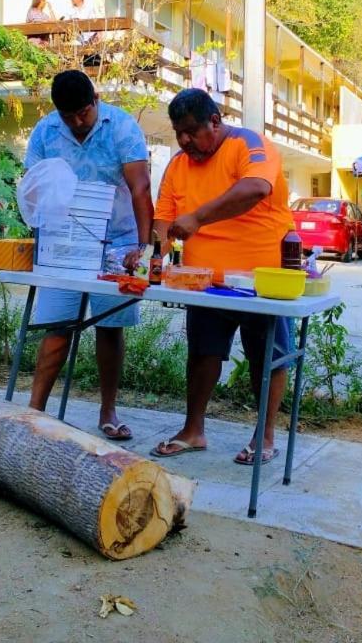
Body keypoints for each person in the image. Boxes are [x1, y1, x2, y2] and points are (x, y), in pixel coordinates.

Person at [150, 88, 295, 465]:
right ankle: (193, 430)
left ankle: (264, 436)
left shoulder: (248, 144)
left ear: (215, 122)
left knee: (267, 357)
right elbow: (164, 219)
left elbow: (256, 188)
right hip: (206, 284)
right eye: (178, 132)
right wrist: (153, 252)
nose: (184, 141)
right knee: (201, 354)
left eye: (192, 131)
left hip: (261, 281)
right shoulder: (179, 165)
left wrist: (197, 217)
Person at [24, 70, 154, 440]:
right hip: (63, 243)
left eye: (83, 112)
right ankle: (35, 411)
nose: (78, 122)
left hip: (118, 243)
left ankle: (108, 412)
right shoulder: (46, 132)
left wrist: (142, 250)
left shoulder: (123, 127)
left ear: (95, 99)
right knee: (57, 328)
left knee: (110, 328)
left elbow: (141, 189)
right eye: (69, 117)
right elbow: (33, 186)